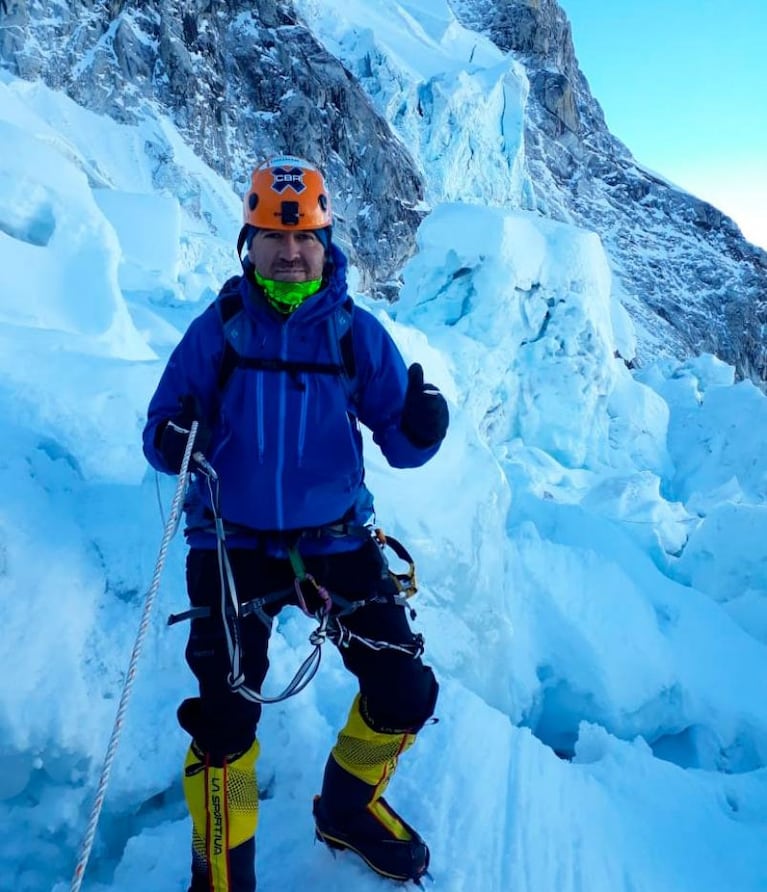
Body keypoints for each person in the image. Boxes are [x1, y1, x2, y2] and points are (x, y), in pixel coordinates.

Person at [142, 155, 449, 892]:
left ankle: (347, 808)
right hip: (230, 544)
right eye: (274, 238)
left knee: (404, 690)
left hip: (334, 541)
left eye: (305, 237)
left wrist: (421, 423)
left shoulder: (352, 334)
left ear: (326, 241)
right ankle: (222, 876)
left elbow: (400, 447)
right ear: (248, 243)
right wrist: (176, 435)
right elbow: (160, 433)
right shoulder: (218, 331)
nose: (290, 251)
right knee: (223, 726)